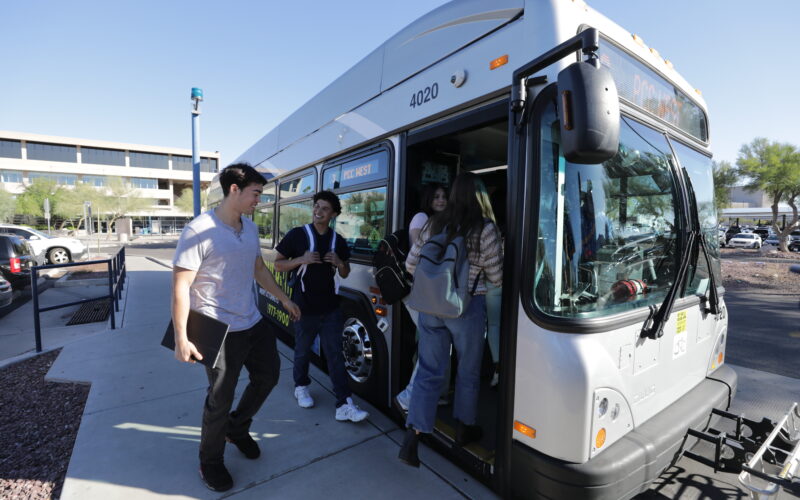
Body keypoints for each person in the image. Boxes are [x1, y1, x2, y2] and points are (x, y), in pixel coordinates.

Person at [171, 163, 301, 492]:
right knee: (219, 398)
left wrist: (283, 298)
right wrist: (181, 338)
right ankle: (210, 460)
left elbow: (257, 268)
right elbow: (181, 287)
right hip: (216, 327)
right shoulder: (199, 230)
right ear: (234, 190)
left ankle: (237, 428)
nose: (259, 199)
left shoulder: (251, 229)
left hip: (252, 321)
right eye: (256, 193)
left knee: (269, 376)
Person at [398, 172, 504, 467]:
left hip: (431, 307)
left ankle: (413, 435)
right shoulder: (485, 228)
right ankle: (463, 428)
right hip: (466, 309)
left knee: (429, 370)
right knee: (468, 372)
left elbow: (410, 265)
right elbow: (496, 276)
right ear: (479, 196)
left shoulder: (435, 223)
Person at [274, 190, 369, 423]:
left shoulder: (338, 240)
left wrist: (339, 263)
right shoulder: (298, 235)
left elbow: (344, 273)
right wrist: (300, 259)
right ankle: (301, 386)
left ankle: (344, 404)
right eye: (316, 206)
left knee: (336, 354)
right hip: (304, 306)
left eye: (324, 208)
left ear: (333, 214)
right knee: (303, 350)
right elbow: (277, 264)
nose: (318, 211)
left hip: (330, 308)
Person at [395, 183, 448, 412]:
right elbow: (417, 253)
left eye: (444, 196)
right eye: (436, 196)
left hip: (431, 291)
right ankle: (408, 398)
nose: (441, 200)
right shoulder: (421, 218)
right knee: (432, 344)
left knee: (432, 343)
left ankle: (433, 393)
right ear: (428, 198)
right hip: (419, 290)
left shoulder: (443, 220)